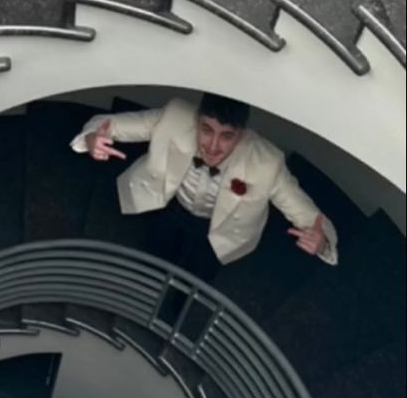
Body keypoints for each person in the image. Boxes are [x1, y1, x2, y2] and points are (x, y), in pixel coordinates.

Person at [72, 92, 338, 283]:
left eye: (226, 137)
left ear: (242, 135)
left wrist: (322, 241)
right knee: (153, 252)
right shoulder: (174, 117)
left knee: (196, 278)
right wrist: (95, 137)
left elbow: (308, 216)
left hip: (219, 230)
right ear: (197, 119)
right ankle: (144, 285)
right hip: (170, 206)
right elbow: (108, 124)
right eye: (207, 130)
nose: (212, 146)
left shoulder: (267, 163)